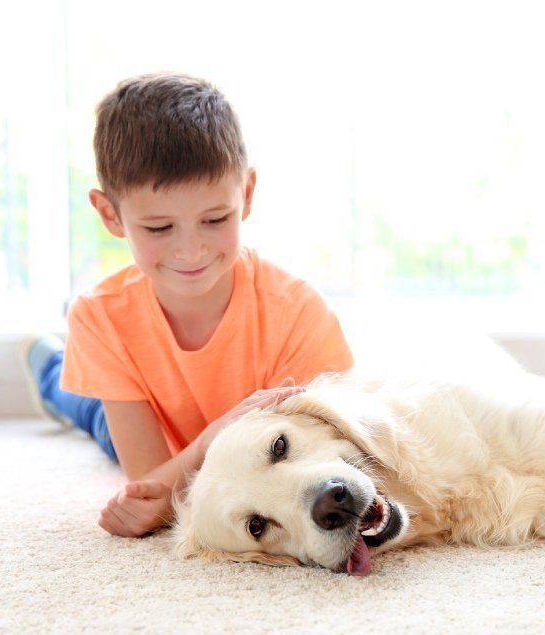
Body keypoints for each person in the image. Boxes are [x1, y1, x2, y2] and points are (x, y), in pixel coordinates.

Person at [20, 72, 354, 539]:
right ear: (110, 214)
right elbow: (146, 482)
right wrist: (209, 439)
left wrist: (185, 465)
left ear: (247, 194)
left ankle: (59, 375)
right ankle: (51, 371)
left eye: (215, 219)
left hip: (178, 457)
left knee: (94, 410)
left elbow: (302, 465)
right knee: (91, 413)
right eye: (159, 228)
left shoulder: (297, 312)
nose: (191, 251)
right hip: (162, 437)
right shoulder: (98, 315)